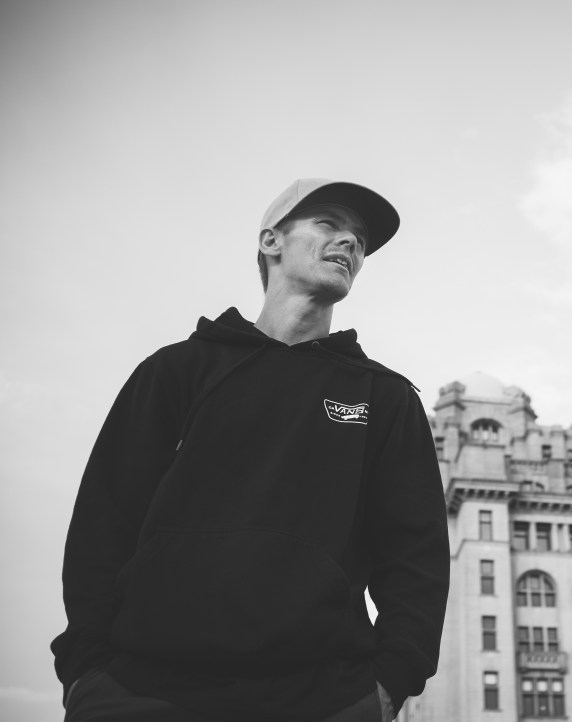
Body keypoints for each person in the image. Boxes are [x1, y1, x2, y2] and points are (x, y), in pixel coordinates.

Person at [51, 179, 450, 722]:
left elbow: (416, 560)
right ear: (271, 241)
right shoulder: (177, 370)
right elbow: (105, 522)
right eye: (330, 224)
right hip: (140, 690)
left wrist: (388, 686)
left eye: (359, 239)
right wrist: (86, 671)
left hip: (323, 698)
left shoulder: (385, 398)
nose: (351, 244)